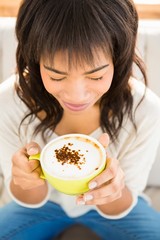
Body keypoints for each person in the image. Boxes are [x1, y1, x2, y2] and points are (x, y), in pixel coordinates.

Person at [0, 0, 160, 239]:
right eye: (56, 75)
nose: (77, 96)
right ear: (34, 60)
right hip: (37, 209)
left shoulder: (144, 109)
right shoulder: (9, 102)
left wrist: (113, 191)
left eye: (96, 76)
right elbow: (24, 198)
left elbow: (125, 203)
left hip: (117, 205)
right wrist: (26, 180)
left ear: (119, 60)